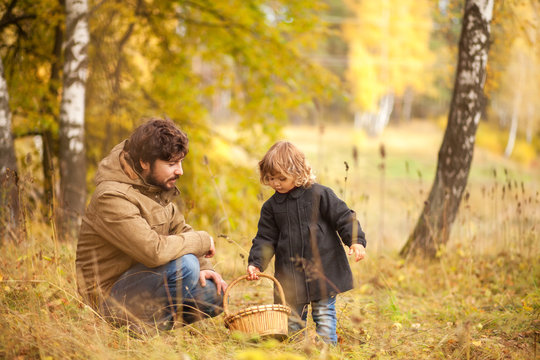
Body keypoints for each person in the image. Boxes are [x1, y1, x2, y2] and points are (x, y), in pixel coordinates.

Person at [76, 117, 226, 334]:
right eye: (172, 164)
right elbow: (153, 252)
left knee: (216, 293)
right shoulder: (111, 196)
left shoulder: (152, 185)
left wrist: (205, 267)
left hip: (145, 281)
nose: (180, 171)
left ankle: (148, 324)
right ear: (145, 162)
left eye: (180, 162)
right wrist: (203, 241)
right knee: (185, 267)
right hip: (109, 299)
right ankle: (146, 331)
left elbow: (180, 229)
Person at [246, 141, 367, 344]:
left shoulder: (320, 194)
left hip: (323, 269)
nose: (276, 183)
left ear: (298, 172)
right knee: (293, 318)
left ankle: (327, 351)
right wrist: (256, 262)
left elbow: (344, 217)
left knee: (323, 313)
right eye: (270, 178)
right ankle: (296, 350)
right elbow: (265, 238)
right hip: (289, 274)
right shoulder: (271, 207)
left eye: (281, 178)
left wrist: (355, 241)